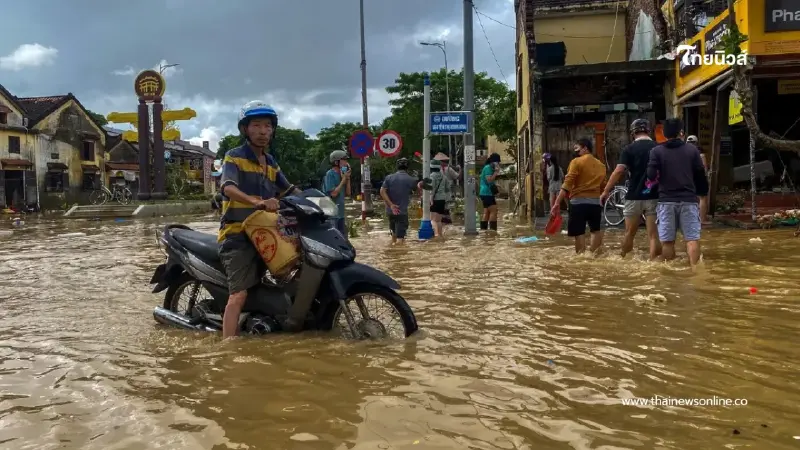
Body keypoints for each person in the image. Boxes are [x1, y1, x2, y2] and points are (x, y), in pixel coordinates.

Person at [218, 101, 301, 339]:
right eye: (256, 125)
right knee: (239, 295)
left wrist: (315, 203)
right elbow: (228, 187)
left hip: (266, 232)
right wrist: (255, 201)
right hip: (237, 236)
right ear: (245, 129)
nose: (263, 131)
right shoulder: (233, 158)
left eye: (267, 126)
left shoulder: (271, 162)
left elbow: (288, 189)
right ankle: (229, 347)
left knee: (293, 269)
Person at [646, 118, 707, 268]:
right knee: (692, 239)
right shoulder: (692, 150)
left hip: (666, 201)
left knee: (667, 242)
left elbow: (651, 175)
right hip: (689, 200)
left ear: (664, 134)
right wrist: (702, 194)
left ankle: (670, 276)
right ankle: (696, 272)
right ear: (681, 132)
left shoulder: (656, 151)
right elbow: (701, 175)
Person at [600, 119, 662, 259]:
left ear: (633, 133)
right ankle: (653, 265)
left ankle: (624, 261)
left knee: (629, 233)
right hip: (654, 196)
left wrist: (605, 191)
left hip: (633, 196)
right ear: (648, 130)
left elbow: (618, 171)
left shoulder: (628, 149)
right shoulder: (658, 148)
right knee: (653, 235)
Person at [551, 138, 607, 254]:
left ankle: (581, 257)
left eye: (577, 149)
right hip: (595, 204)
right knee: (595, 230)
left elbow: (567, 185)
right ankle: (593, 257)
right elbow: (603, 187)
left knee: (579, 232)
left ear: (585, 148)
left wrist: (556, 203)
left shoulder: (576, 162)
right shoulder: (601, 165)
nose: (575, 153)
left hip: (578, 204)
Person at [380, 157, 419, 244]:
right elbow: (417, 193)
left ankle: (393, 254)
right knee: (400, 238)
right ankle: (399, 255)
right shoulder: (411, 180)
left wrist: (391, 205)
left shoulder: (389, 178)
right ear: (407, 167)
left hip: (390, 212)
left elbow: (382, 191)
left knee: (394, 234)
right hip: (402, 212)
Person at [323, 150, 351, 237]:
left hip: (341, 214)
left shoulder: (343, 175)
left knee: (344, 240)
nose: (346, 162)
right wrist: (343, 180)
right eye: (344, 160)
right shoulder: (330, 174)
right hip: (332, 215)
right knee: (335, 239)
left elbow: (348, 193)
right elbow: (333, 194)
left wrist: (348, 178)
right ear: (336, 162)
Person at [686, 135, 711, 225]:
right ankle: (702, 219)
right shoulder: (701, 155)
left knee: (691, 198)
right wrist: (706, 177)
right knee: (702, 198)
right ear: (696, 143)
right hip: (699, 177)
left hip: (688, 177)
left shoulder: (684, 153)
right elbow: (704, 168)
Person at [479, 153, 502, 231]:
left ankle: (483, 230)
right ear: (494, 162)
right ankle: (493, 231)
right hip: (486, 193)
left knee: (487, 212)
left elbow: (489, 182)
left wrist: (496, 186)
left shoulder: (489, 168)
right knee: (494, 210)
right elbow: (489, 180)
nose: (498, 164)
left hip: (485, 193)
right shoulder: (488, 168)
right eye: (497, 162)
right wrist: (496, 172)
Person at [428, 159, 451, 237]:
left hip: (434, 200)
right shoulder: (443, 176)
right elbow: (447, 188)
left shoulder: (431, 176)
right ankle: (440, 235)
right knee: (438, 221)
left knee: (432, 220)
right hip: (442, 200)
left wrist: (430, 199)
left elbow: (432, 189)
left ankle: (436, 234)